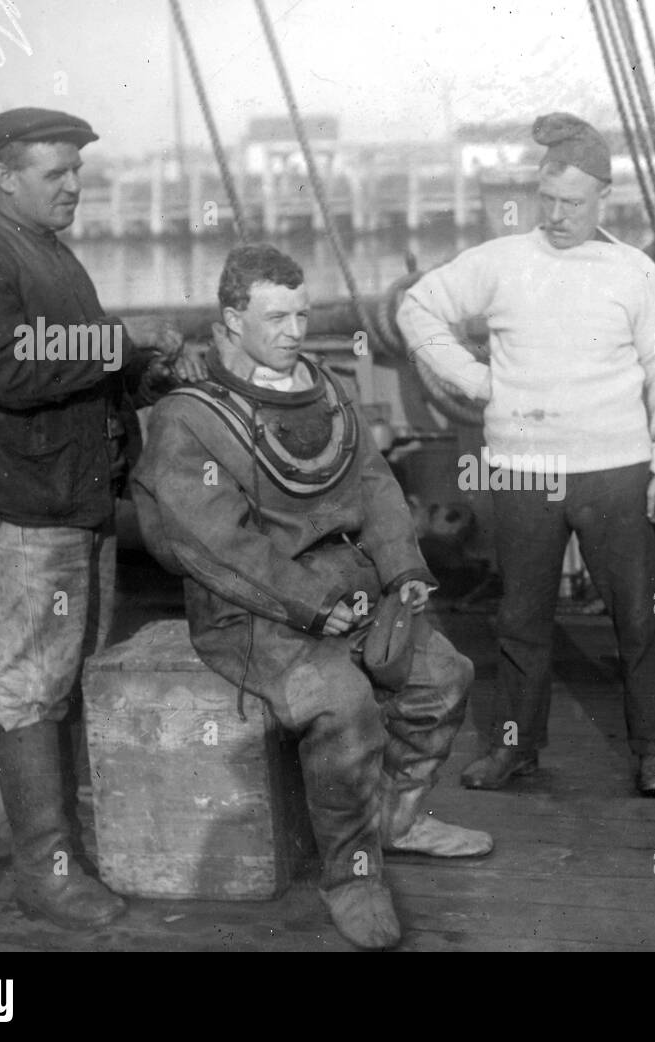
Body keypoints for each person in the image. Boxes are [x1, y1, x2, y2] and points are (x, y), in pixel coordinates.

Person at [131, 243, 493, 951]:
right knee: (344, 704)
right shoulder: (190, 419)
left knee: (445, 677)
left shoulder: (326, 390)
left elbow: (377, 486)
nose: (295, 329)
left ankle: (397, 819)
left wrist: (402, 568)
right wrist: (309, 603)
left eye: (301, 312)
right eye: (276, 316)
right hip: (248, 611)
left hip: (350, 594)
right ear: (232, 319)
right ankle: (353, 875)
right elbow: (212, 543)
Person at [0, 107, 198, 930]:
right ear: (5, 177)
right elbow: (9, 368)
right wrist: (120, 340)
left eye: (78, 171)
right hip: (27, 506)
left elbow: (71, 368)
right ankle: (46, 871)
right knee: (28, 689)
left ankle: (57, 843)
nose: (74, 186)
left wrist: (143, 370)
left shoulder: (46, 252)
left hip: (76, 499)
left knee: (67, 678)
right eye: (56, 173)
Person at [397, 112, 655, 798]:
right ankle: (517, 749)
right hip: (525, 474)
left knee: (638, 618)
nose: (559, 217)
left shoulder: (634, 271)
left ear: (604, 200)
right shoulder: (501, 263)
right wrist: (474, 380)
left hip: (616, 472)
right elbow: (419, 308)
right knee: (520, 621)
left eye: (575, 204)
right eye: (549, 202)